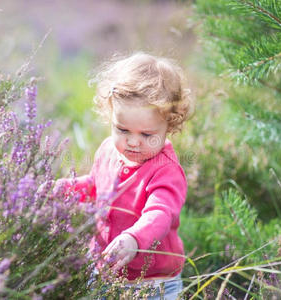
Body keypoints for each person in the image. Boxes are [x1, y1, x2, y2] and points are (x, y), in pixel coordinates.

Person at [55, 52, 191, 299]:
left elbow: (160, 213)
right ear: (110, 115)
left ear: (169, 126)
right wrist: (66, 189)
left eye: (147, 135)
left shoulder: (165, 170)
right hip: (106, 268)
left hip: (153, 282)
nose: (133, 142)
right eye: (123, 129)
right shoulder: (109, 149)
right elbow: (96, 186)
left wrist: (134, 238)